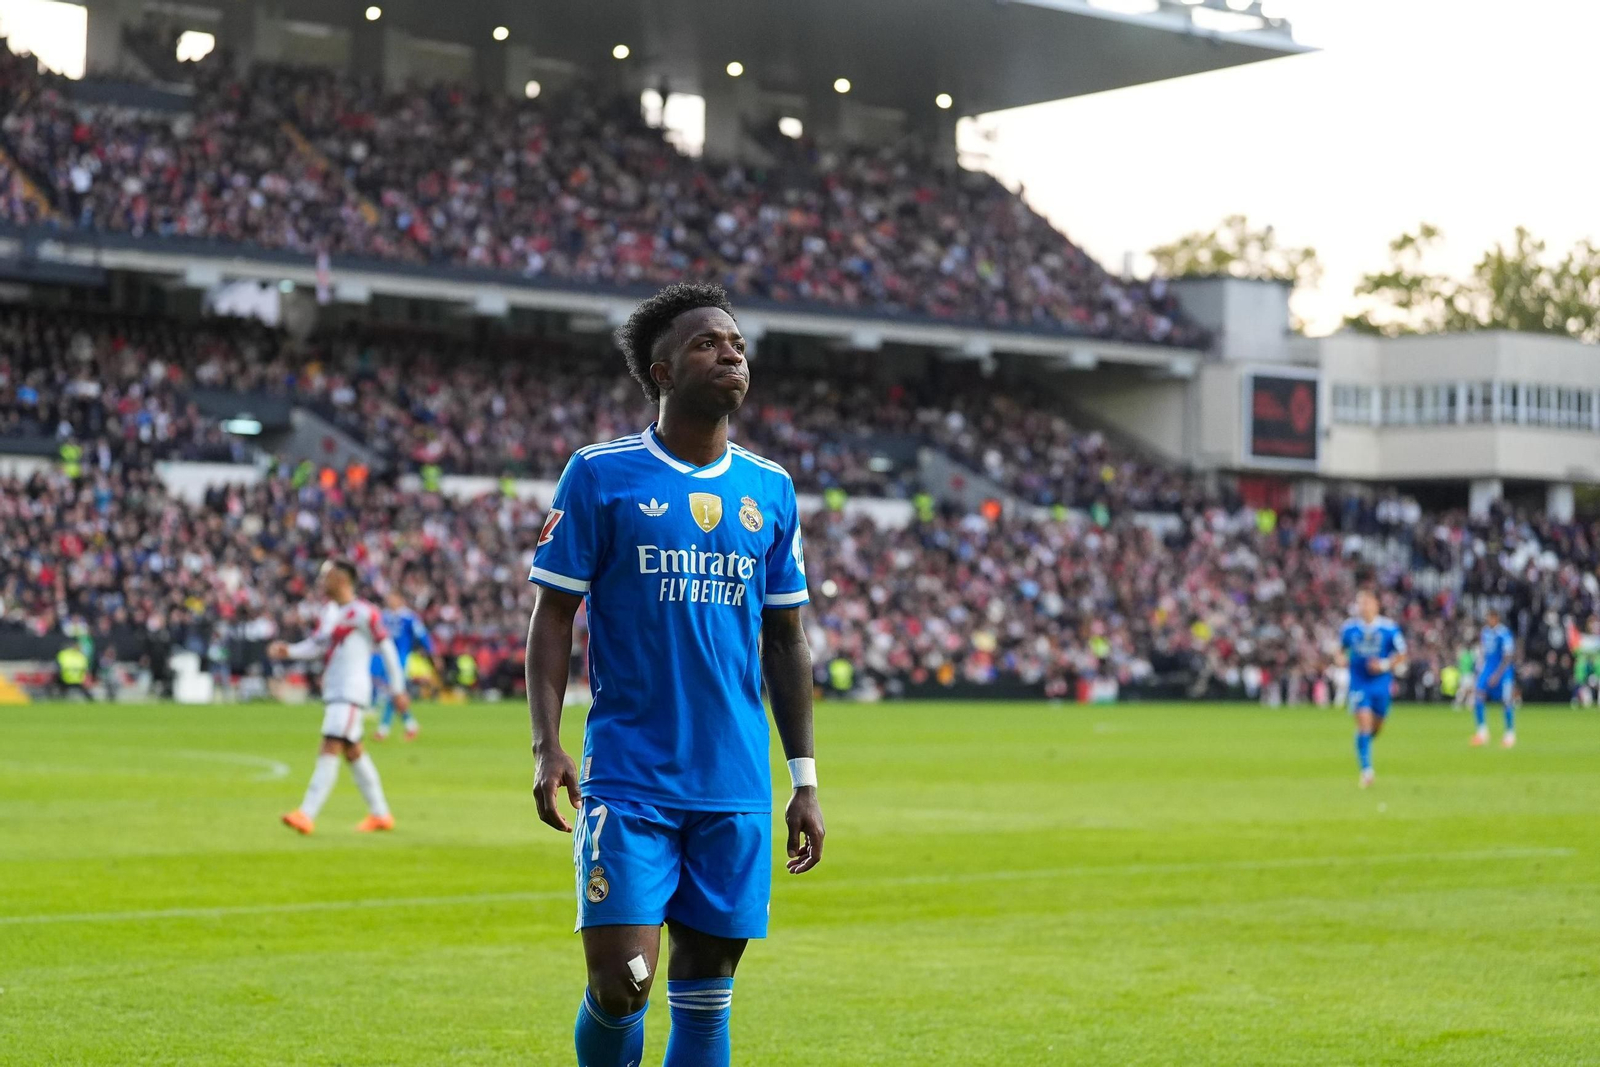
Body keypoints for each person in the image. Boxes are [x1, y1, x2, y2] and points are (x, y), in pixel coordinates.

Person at [524, 282, 824, 1067]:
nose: (730, 352)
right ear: (660, 371)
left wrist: (806, 778)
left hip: (732, 782)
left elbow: (786, 641)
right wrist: (545, 743)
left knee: (706, 990)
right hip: (629, 777)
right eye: (707, 343)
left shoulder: (770, 489)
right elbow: (553, 616)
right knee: (624, 979)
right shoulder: (599, 474)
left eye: (737, 344)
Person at [269, 558, 408, 834]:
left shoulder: (365, 613)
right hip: (335, 691)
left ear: (342, 580)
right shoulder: (330, 612)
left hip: (351, 692)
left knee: (330, 744)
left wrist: (398, 689)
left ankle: (306, 813)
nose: (321, 582)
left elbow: (388, 650)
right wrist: (291, 651)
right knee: (354, 752)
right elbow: (318, 645)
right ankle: (380, 814)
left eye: (327, 576)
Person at [1337, 587, 1407, 788]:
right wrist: (1340, 658)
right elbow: (1340, 650)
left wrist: (1383, 665)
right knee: (1364, 723)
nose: (1363, 607)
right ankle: (1367, 771)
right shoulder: (1349, 628)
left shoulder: (1389, 628)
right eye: (1360, 603)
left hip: (1381, 684)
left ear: (1376, 604)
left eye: (1367, 602)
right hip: (1359, 682)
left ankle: (1363, 741)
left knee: (1376, 727)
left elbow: (1402, 654)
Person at [372, 590, 437, 741]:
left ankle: (384, 729)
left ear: (400, 599)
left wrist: (431, 653)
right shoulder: (385, 616)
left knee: (393, 692)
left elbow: (422, 635)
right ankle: (410, 725)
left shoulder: (408, 617)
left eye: (393, 597)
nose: (390, 601)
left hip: (400, 659)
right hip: (386, 658)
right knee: (395, 692)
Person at [1472, 607, 1517, 748]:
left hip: (1502, 672)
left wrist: (1497, 675)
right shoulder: (1485, 632)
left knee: (1506, 701)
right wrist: (1481, 670)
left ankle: (1510, 734)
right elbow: (1484, 654)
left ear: (1496, 618)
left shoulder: (1503, 633)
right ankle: (1482, 732)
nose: (1488, 620)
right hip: (1488, 669)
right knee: (1478, 695)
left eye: (1490, 617)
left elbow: (1508, 656)